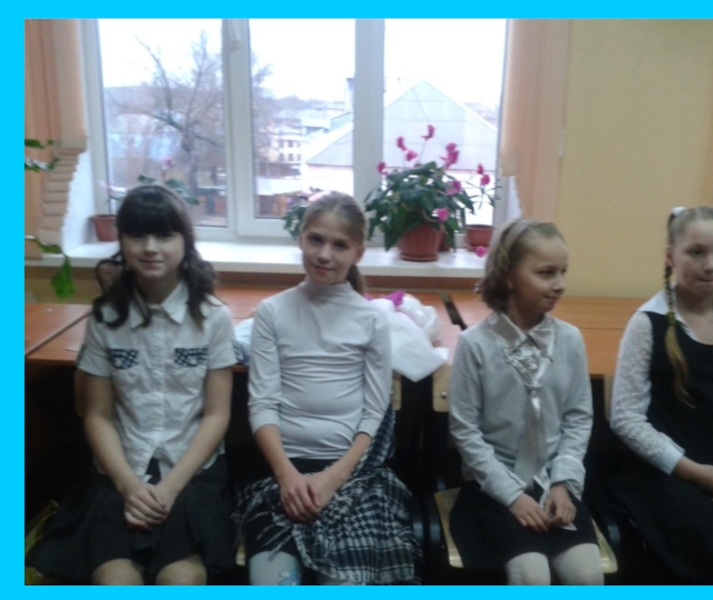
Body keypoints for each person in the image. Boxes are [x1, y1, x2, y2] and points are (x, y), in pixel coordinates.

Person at [26, 185, 238, 585]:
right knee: (116, 578)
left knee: (181, 578)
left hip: (191, 471)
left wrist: (170, 488)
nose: (151, 248)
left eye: (164, 235)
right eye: (137, 235)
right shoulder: (106, 318)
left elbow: (216, 415)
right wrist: (128, 486)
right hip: (119, 468)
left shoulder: (213, 318)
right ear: (122, 242)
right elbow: (97, 415)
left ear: (185, 242)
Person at [233, 191, 419, 585]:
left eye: (339, 245)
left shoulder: (371, 319)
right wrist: (287, 477)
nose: (324, 254)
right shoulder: (273, 312)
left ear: (358, 253)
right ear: (300, 237)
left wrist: (333, 478)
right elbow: (262, 404)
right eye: (316, 239)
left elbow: (375, 411)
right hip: (281, 475)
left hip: (353, 477)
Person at [609, 205, 713, 584]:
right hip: (670, 476)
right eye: (697, 252)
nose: (711, 265)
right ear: (671, 256)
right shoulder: (648, 324)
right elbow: (625, 418)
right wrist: (696, 473)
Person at [448, 218, 603, 585]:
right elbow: (465, 432)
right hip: (493, 488)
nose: (559, 284)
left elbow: (578, 418)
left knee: (588, 576)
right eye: (546, 273)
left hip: (553, 483)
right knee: (532, 575)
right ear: (508, 277)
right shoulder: (475, 345)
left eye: (563, 272)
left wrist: (564, 483)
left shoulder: (570, 340)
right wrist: (513, 496)